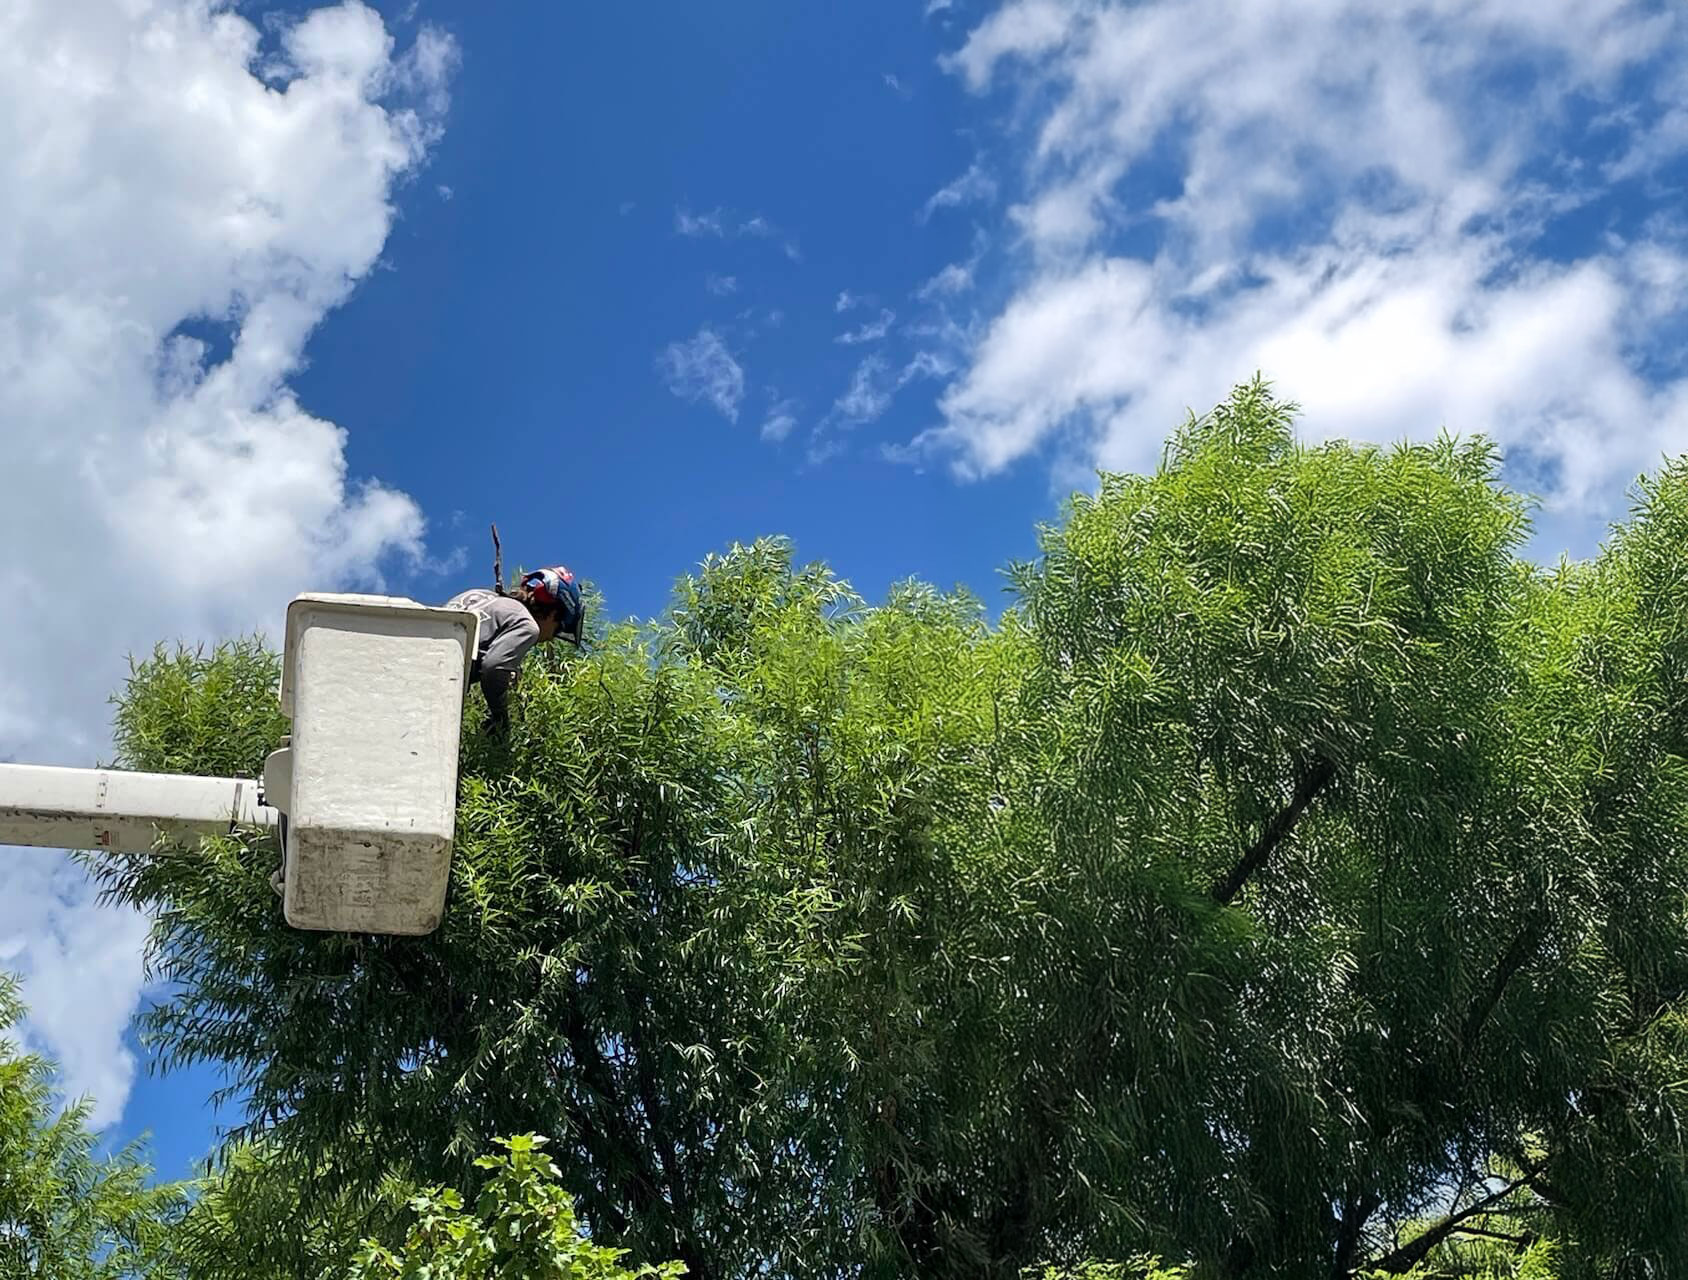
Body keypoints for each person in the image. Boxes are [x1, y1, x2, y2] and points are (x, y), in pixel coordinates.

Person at [445, 566, 584, 734]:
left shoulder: (480, 596)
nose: (551, 638)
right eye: (558, 629)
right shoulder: (527, 626)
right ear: (553, 614)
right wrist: (500, 718)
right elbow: (494, 667)